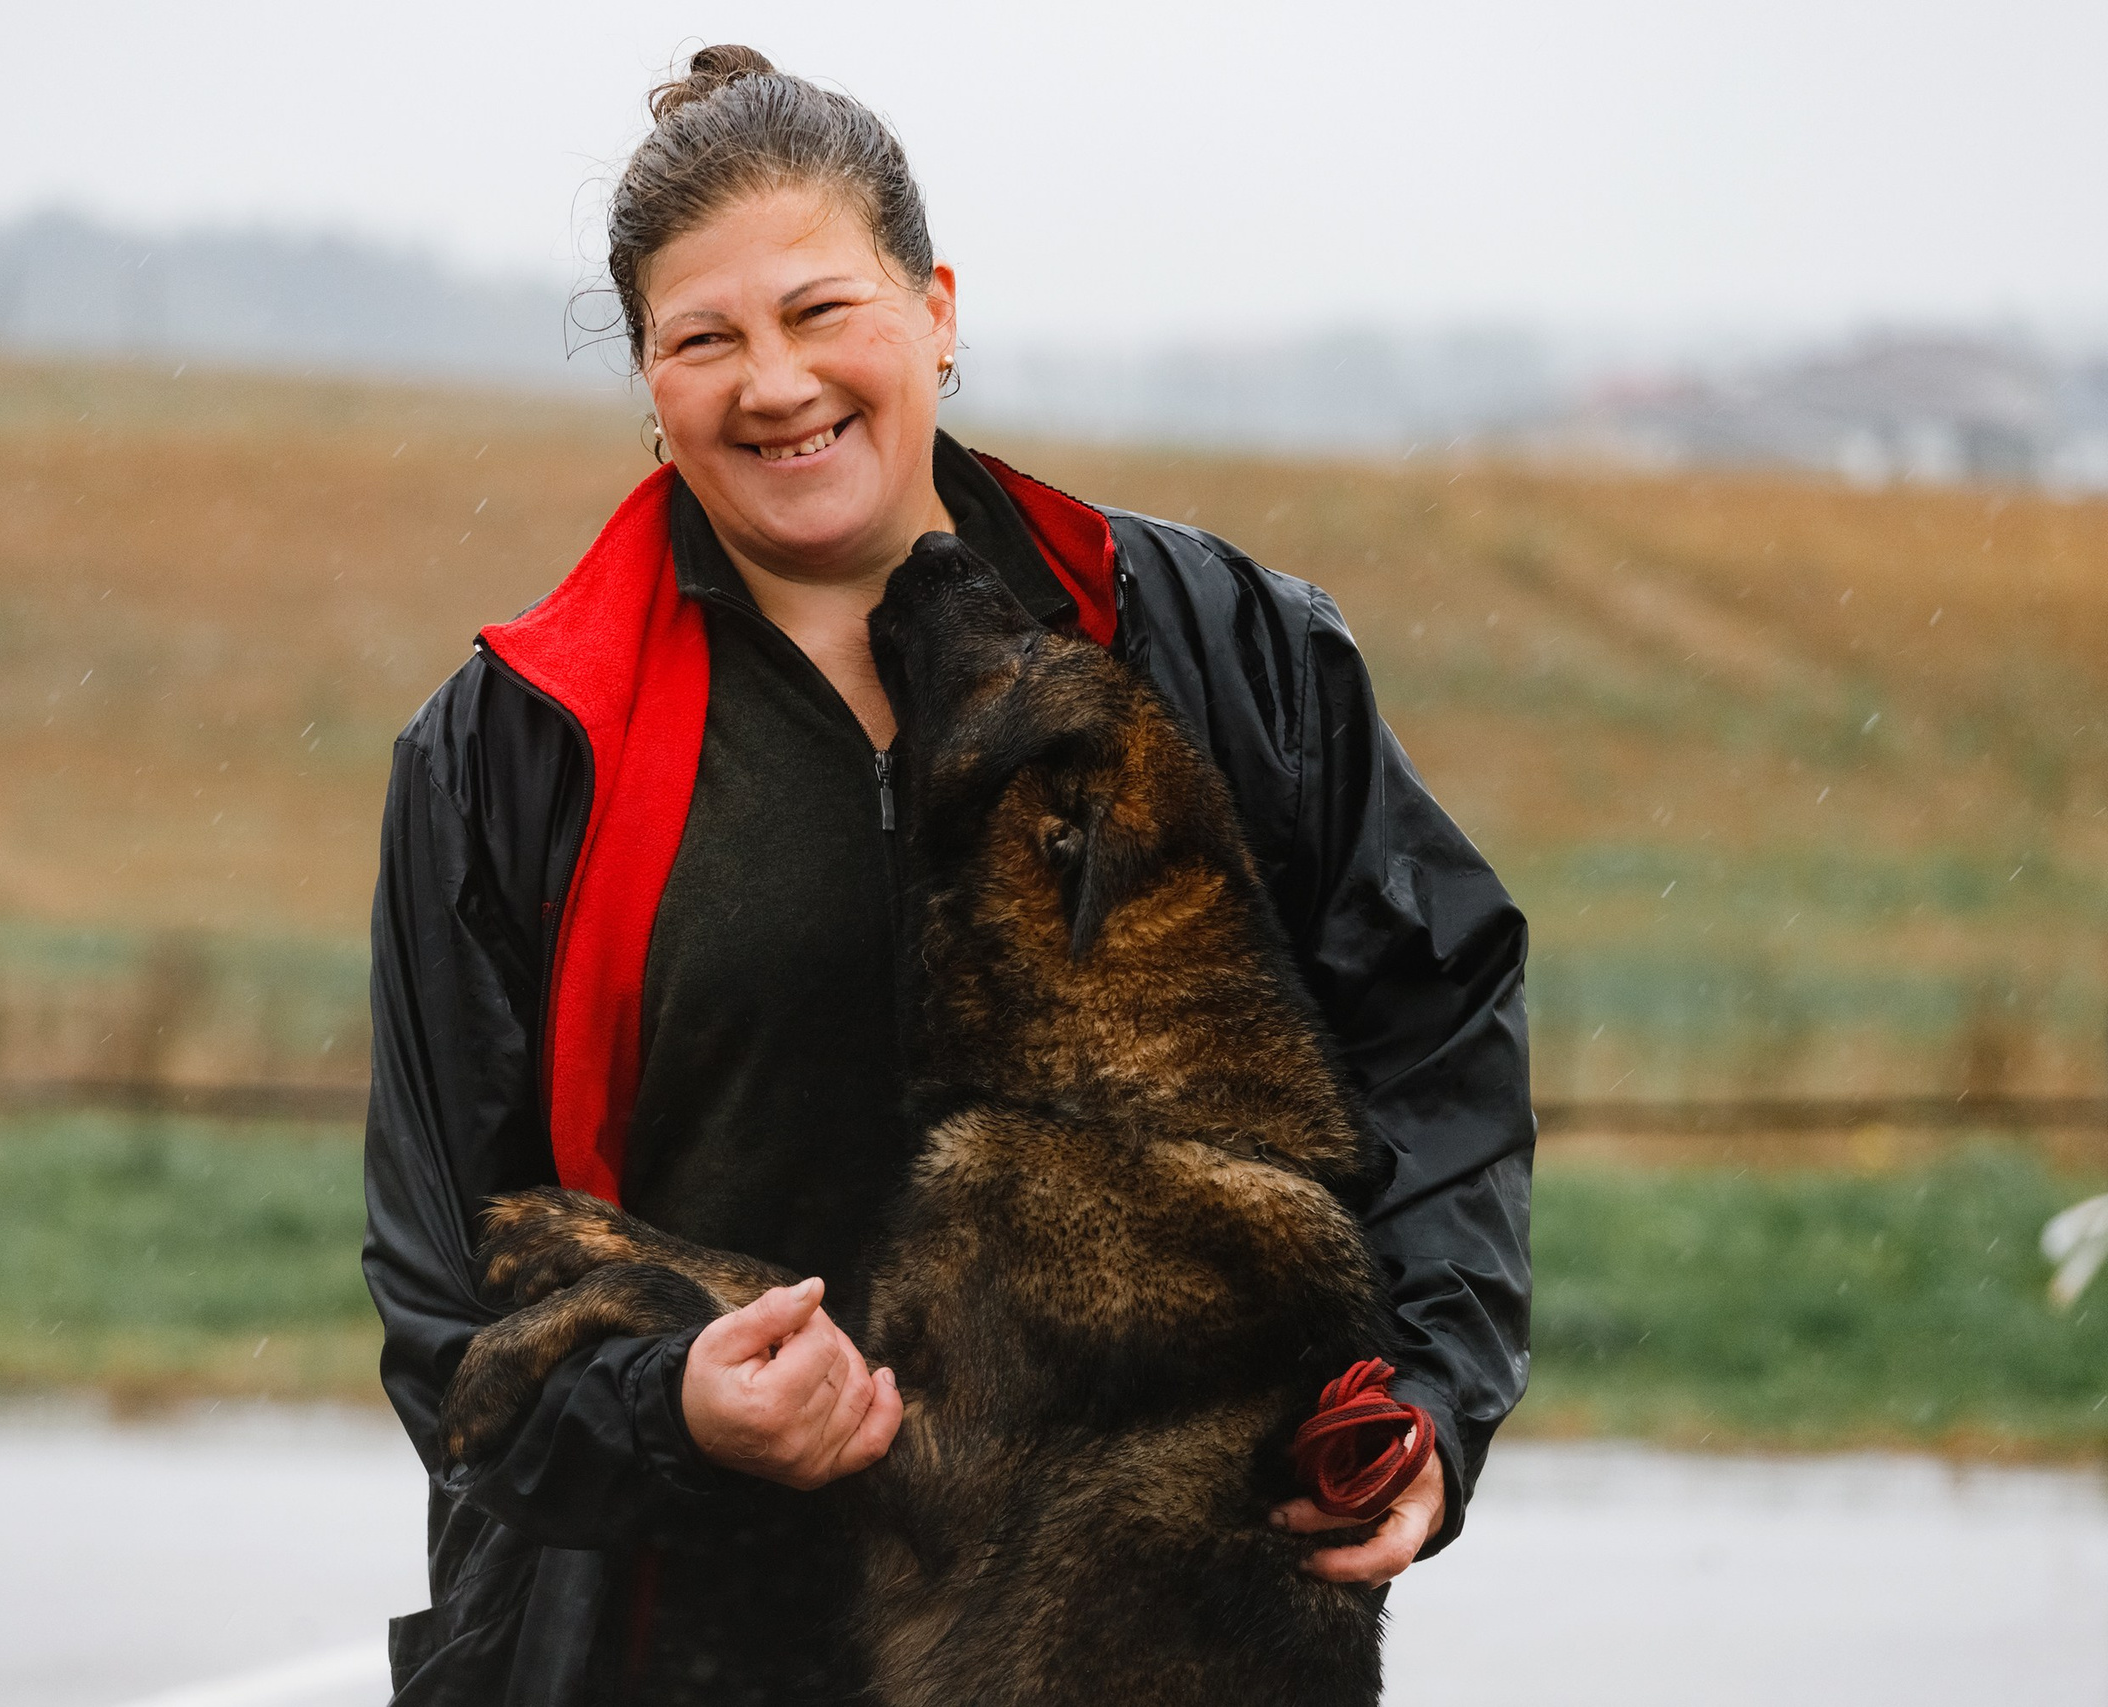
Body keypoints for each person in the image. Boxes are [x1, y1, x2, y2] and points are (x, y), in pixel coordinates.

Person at [362, 45, 1532, 1707]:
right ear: (648, 379)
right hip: (670, 1653)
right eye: (706, 339)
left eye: (822, 310)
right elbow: (448, 1306)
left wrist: (1431, 1399)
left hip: (1156, 1651)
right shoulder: (507, 754)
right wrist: (672, 1410)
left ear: (938, 312)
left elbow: (1440, 1022)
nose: (775, 384)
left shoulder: (1219, 651)